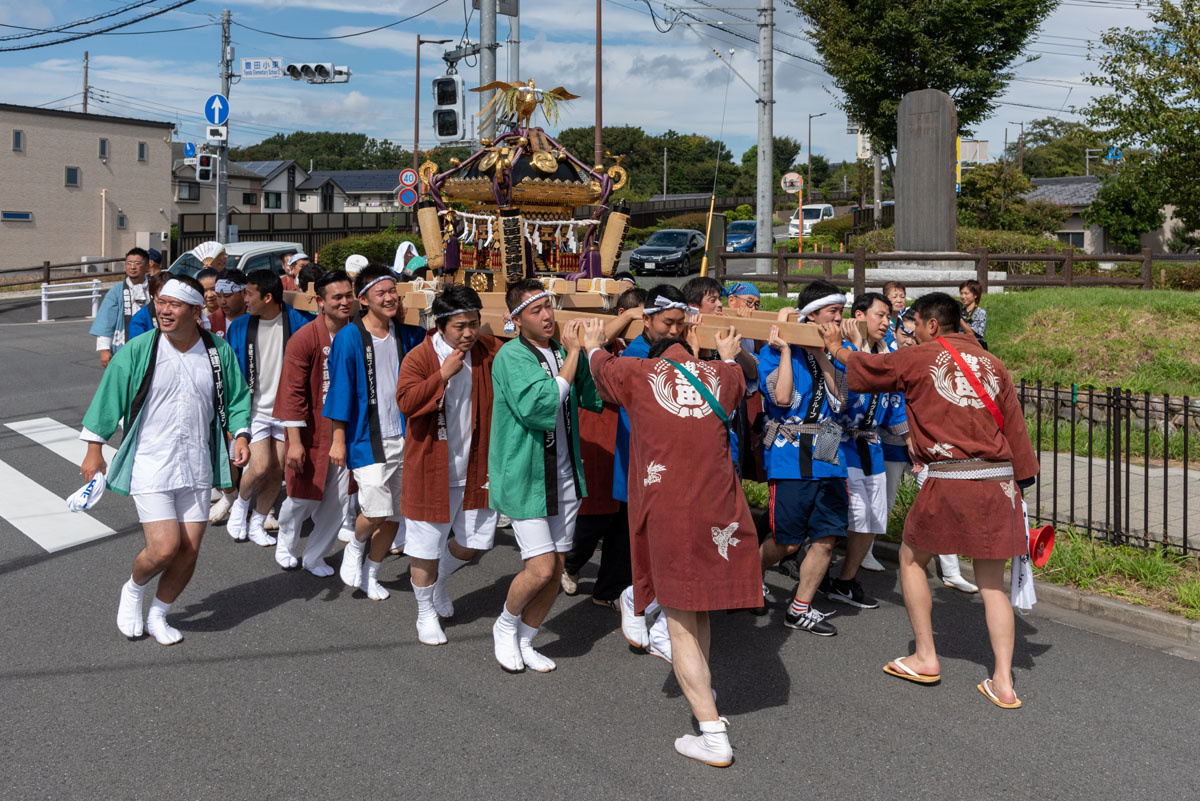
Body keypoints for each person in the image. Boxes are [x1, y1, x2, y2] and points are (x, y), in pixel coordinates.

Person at [823, 291, 1038, 708]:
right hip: (998, 482)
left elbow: (872, 368)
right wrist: (1022, 486)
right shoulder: (994, 364)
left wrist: (836, 349)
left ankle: (925, 656)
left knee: (911, 559)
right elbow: (1017, 431)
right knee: (991, 583)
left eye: (916, 325)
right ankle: (1003, 681)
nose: (914, 332)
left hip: (949, 477)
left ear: (932, 325)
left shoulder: (923, 356)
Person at [585, 318, 761, 768]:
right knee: (698, 606)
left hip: (672, 508)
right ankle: (705, 688)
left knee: (679, 618)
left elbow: (600, 365)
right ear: (690, 350)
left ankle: (711, 732)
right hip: (720, 504)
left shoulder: (637, 372)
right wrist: (721, 351)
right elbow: (742, 374)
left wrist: (589, 343)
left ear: (657, 353)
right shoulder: (722, 375)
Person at [78, 276, 251, 645]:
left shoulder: (217, 351)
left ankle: (159, 614)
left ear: (195, 310)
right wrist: (94, 448)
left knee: (189, 550)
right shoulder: (140, 349)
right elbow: (108, 397)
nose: (164, 310)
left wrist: (241, 434)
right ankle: (134, 589)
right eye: (161, 303)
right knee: (164, 548)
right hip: (152, 460)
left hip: (196, 462)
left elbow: (236, 399)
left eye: (174, 304)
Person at [488, 279, 603, 672]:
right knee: (538, 569)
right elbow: (541, 403)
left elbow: (590, 393)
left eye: (549, 307)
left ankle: (526, 637)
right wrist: (574, 355)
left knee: (555, 568)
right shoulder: (511, 356)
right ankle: (505, 625)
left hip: (564, 473)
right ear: (516, 319)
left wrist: (595, 347)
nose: (547, 316)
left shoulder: (559, 351)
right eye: (536, 310)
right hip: (526, 475)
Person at [396, 285, 502, 645]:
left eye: (474, 323)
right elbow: (407, 403)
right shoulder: (420, 357)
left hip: (476, 467)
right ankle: (424, 612)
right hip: (432, 466)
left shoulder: (489, 351)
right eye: (460, 326)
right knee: (425, 549)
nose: (469, 332)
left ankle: (439, 581)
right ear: (440, 325)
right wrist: (442, 375)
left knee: (473, 542)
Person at [323, 264, 426, 600]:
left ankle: (371, 572)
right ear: (364, 300)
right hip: (367, 438)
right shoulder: (350, 337)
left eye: (392, 291)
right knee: (377, 509)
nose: (389, 298)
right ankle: (355, 545)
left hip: (403, 435)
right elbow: (339, 389)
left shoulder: (405, 332)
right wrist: (338, 439)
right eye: (380, 293)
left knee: (396, 516)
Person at [756, 280, 846, 636]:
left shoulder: (837, 349)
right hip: (790, 448)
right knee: (788, 540)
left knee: (828, 534)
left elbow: (840, 399)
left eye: (840, 314)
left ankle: (800, 607)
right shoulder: (774, 350)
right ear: (811, 317)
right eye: (831, 314)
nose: (838, 321)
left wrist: (824, 351)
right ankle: (750, 573)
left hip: (827, 444)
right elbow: (781, 398)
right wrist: (787, 349)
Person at [611, 285, 691, 659]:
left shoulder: (685, 350)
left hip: (679, 463)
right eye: (667, 322)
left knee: (672, 546)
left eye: (680, 323)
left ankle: (646, 608)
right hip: (643, 460)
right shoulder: (637, 354)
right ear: (647, 319)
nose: (674, 330)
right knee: (649, 545)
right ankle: (637, 603)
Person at [823, 292, 908, 610]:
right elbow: (841, 397)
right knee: (826, 514)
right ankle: (812, 568)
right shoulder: (837, 350)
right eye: (880, 315)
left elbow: (896, 408)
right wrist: (855, 346)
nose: (887, 322)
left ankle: (844, 580)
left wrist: (915, 446)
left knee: (871, 519)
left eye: (889, 316)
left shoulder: (889, 354)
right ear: (859, 316)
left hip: (869, 442)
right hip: (834, 437)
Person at [271, 270, 357, 576]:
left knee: (339, 501)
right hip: (311, 433)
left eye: (349, 295)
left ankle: (315, 555)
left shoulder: (357, 332)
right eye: (337, 297)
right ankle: (285, 545)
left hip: (347, 431)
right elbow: (291, 392)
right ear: (320, 301)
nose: (345, 302)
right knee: (300, 498)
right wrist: (294, 442)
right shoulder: (305, 338)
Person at [560, 287, 641, 608]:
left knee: (624, 518)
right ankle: (570, 564)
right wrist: (628, 318)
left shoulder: (637, 345)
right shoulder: (594, 333)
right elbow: (595, 340)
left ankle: (610, 588)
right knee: (595, 515)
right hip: (596, 430)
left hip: (630, 434)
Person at [224, 270, 312, 546]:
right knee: (260, 465)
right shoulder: (239, 327)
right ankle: (240, 506)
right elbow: (230, 374)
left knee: (278, 469)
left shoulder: (299, 323)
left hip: (287, 411)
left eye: (249, 294)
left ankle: (258, 522)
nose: (244, 299)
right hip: (255, 409)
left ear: (268, 297)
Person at [90, 247, 151, 368]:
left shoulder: (154, 288)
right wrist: (104, 349)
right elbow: (106, 319)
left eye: (137, 263)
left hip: (150, 344)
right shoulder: (117, 290)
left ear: (147, 267)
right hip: (123, 344)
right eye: (129, 263)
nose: (132, 267)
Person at [209, 268, 248, 341]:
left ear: (243, 292)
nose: (222, 302)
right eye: (218, 296)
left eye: (227, 296)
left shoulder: (257, 318)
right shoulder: (209, 323)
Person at [127, 272, 170, 339]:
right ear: (153, 291)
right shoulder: (140, 319)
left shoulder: (182, 312)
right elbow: (137, 347)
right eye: (161, 290)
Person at [959, 279, 988, 349]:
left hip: (974, 347)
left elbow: (971, 334)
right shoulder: (960, 311)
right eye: (961, 293)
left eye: (966, 293)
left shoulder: (980, 313)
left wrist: (959, 318)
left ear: (975, 295)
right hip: (958, 345)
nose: (963, 296)